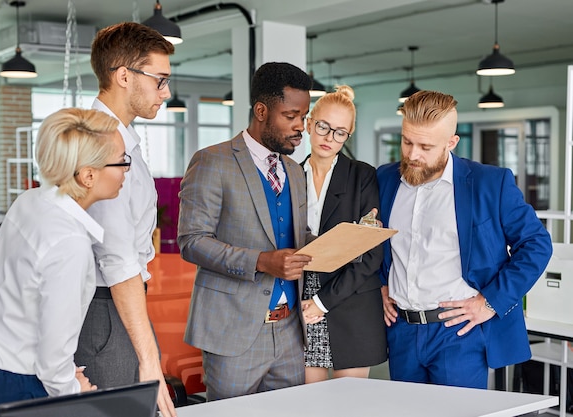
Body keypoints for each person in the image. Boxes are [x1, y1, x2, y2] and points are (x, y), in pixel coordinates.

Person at [0, 108, 127, 417]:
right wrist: (75, 392)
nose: (126, 171)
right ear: (87, 175)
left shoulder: (29, 202)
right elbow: (52, 362)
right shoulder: (70, 243)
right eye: (122, 161)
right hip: (12, 388)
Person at [377, 90, 553, 389]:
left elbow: (537, 244)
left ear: (451, 142)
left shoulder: (490, 183)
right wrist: (380, 285)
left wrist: (490, 302)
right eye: (407, 141)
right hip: (402, 332)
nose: (412, 154)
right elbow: (375, 243)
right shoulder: (385, 179)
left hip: (458, 333)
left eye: (426, 146)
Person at [177, 62, 313, 401]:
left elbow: (293, 236)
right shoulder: (213, 161)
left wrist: (346, 236)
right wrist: (261, 262)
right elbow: (191, 242)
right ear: (262, 111)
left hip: (290, 332)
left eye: (304, 118)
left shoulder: (295, 171)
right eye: (291, 116)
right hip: (232, 332)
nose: (300, 128)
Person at [73, 22, 176, 416]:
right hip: (106, 312)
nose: (165, 92)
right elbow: (116, 262)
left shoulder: (120, 139)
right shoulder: (100, 144)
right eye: (159, 80)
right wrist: (149, 358)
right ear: (123, 76)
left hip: (118, 307)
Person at [300, 85, 387, 383]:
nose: (329, 138)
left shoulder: (363, 176)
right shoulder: (289, 175)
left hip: (349, 300)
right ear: (309, 123)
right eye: (323, 127)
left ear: (348, 135)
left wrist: (321, 302)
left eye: (340, 132)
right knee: (307, 406)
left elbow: (370, 253)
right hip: (301, 300)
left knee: (347, 408)